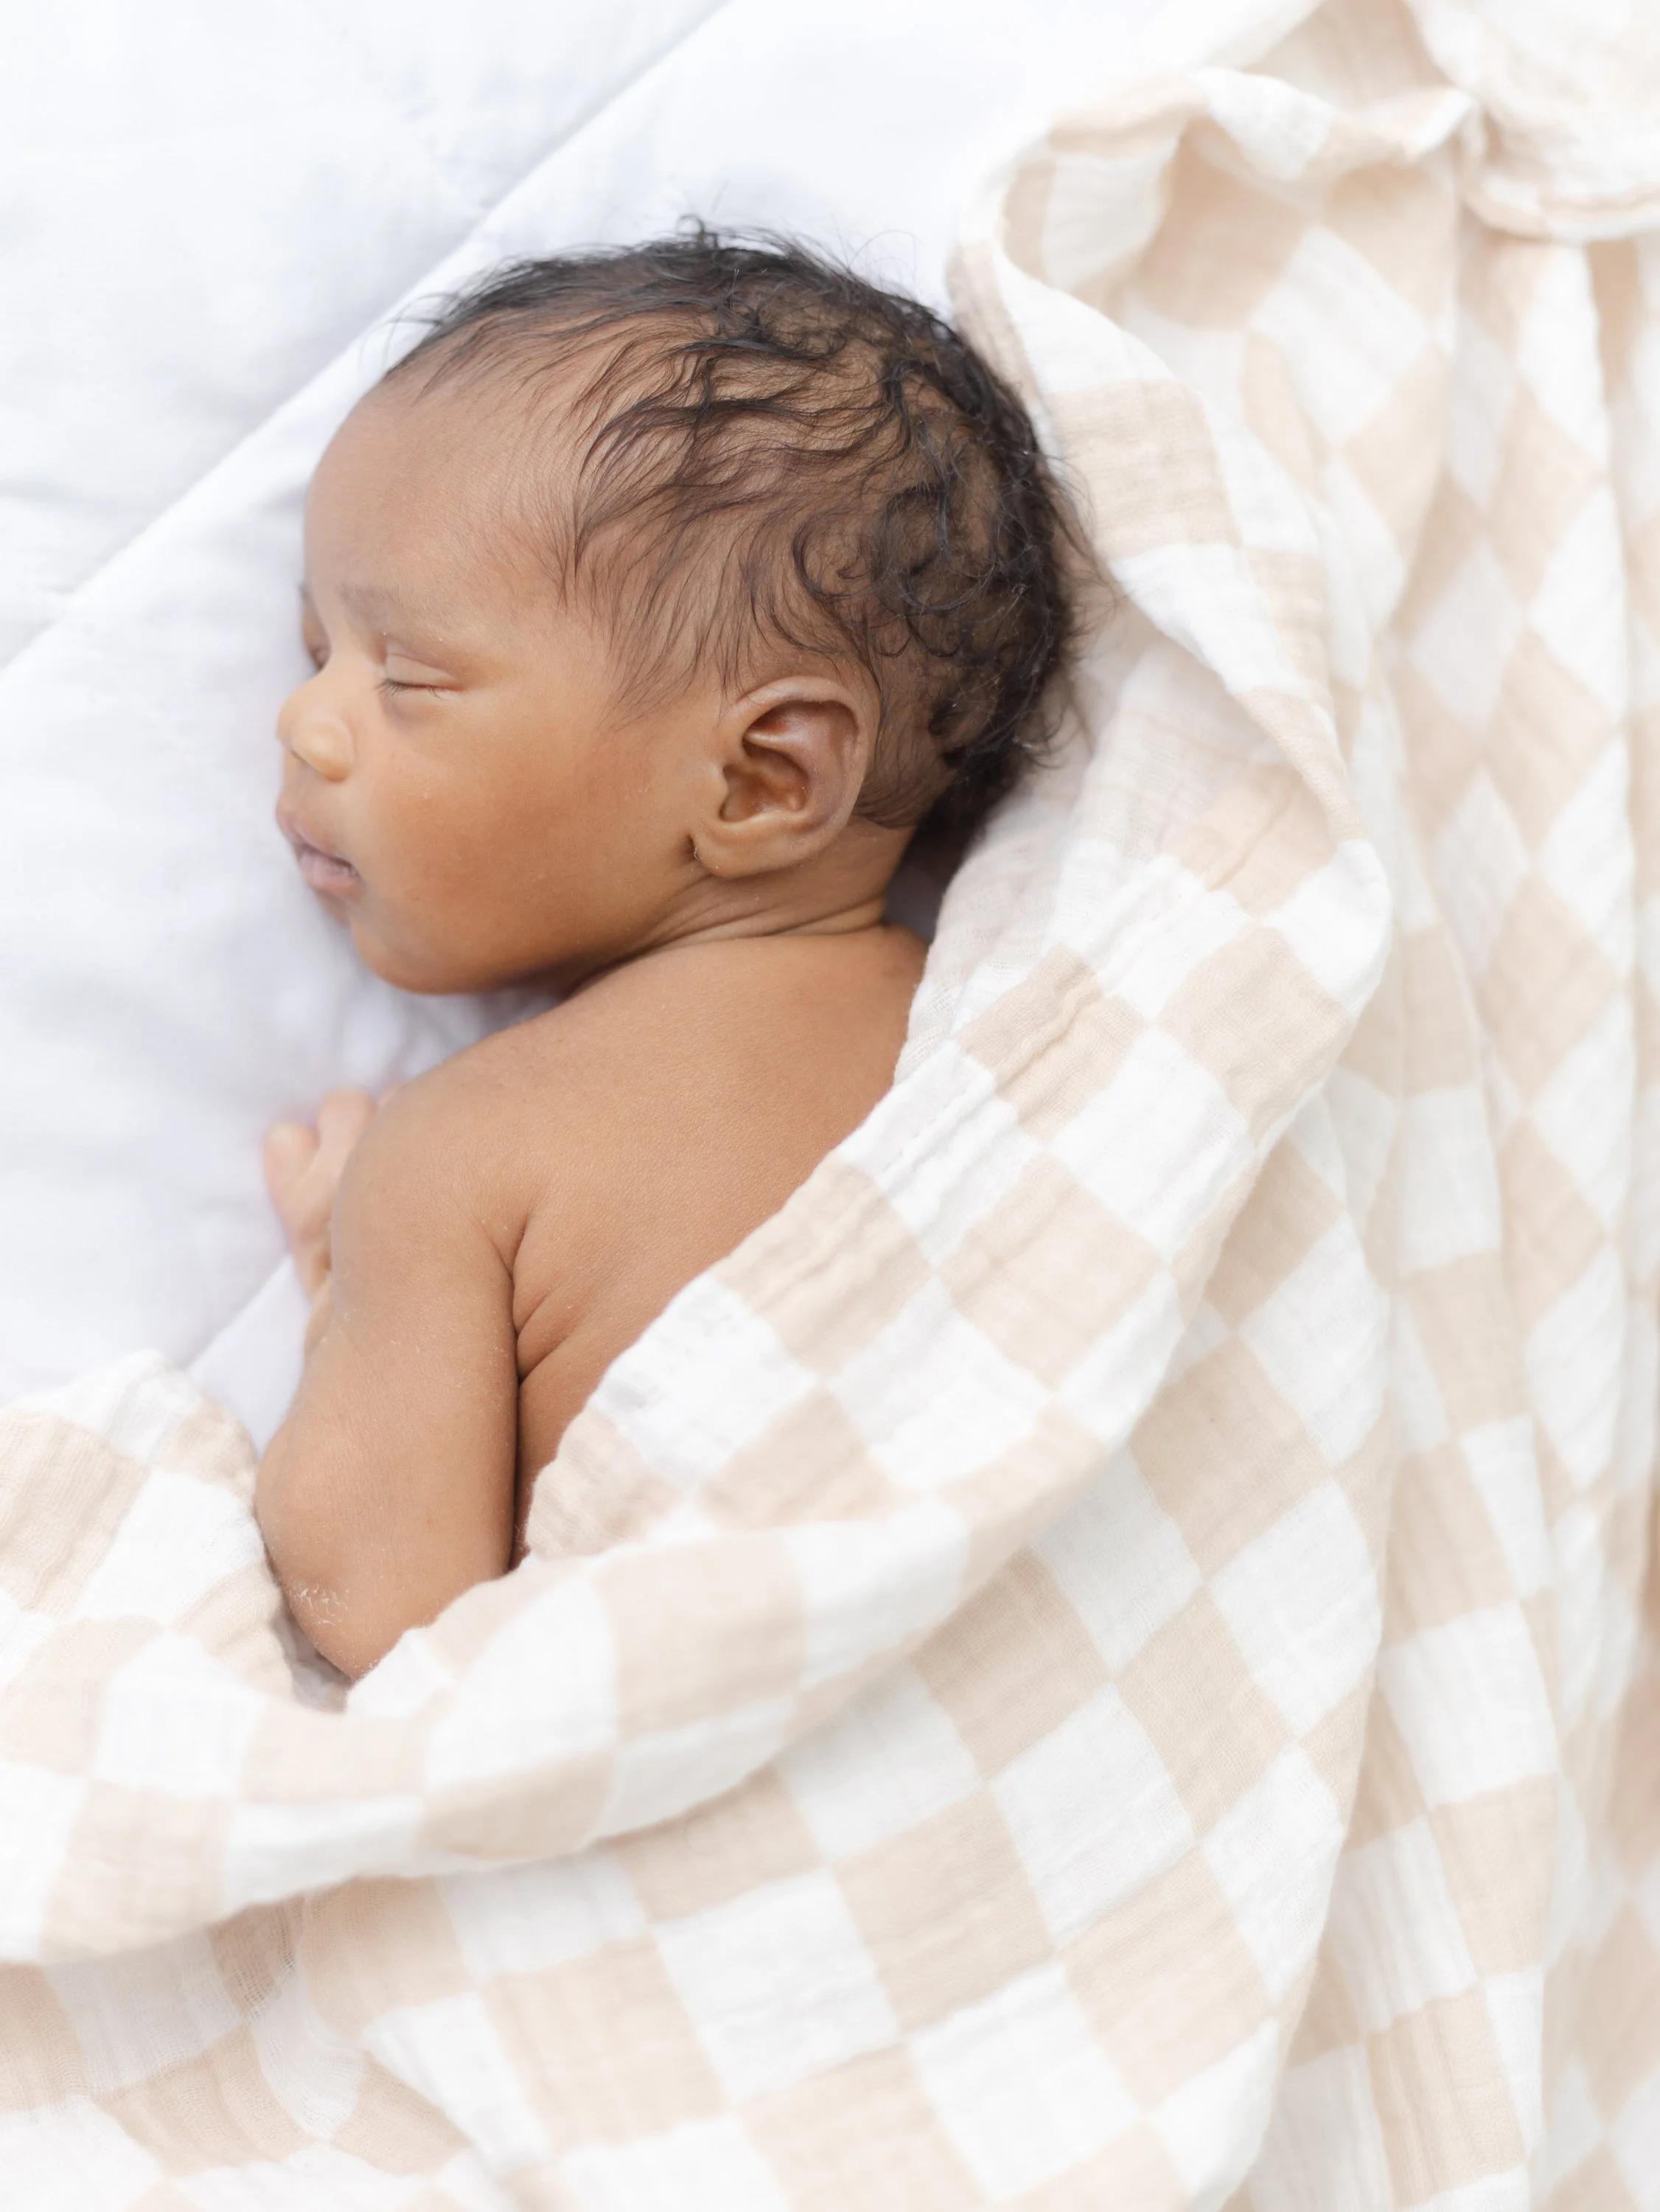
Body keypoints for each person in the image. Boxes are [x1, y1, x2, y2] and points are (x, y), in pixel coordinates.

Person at [256, 234, 1077, 1677]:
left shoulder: (456, 1159)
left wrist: (346, 1299)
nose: (303, 724)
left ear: (761, 781)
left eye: (408, 677)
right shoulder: (1016, 1027)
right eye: (317, 652)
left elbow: (380, 1618)